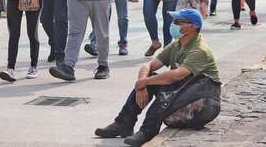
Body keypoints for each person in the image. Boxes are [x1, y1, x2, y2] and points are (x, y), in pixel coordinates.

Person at [95, 8, 221, 147]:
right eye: (174, 21)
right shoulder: (177, 44)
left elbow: (176, 75)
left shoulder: (200, 50)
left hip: (203, 103)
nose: (173, 24)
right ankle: (123, 123)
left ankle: (148, 131)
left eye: (178, 21)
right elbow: (148, 65)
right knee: (153, 80)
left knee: (165, 92)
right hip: (184, 93)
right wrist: (142, 85)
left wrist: (144, 82)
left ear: (192, 27)